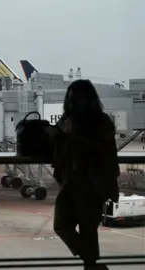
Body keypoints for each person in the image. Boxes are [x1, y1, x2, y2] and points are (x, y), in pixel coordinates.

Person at [51, 79, 120, 270]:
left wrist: (73, 139)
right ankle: (92, 262)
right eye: (70, 99)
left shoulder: (101, 121)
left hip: (92, 184)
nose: (72, 103)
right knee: (61, 225)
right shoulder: (66, 119)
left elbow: (105, 151)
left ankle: (91, 264)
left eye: (76, 99)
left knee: (88, 230)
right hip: (70, 182)